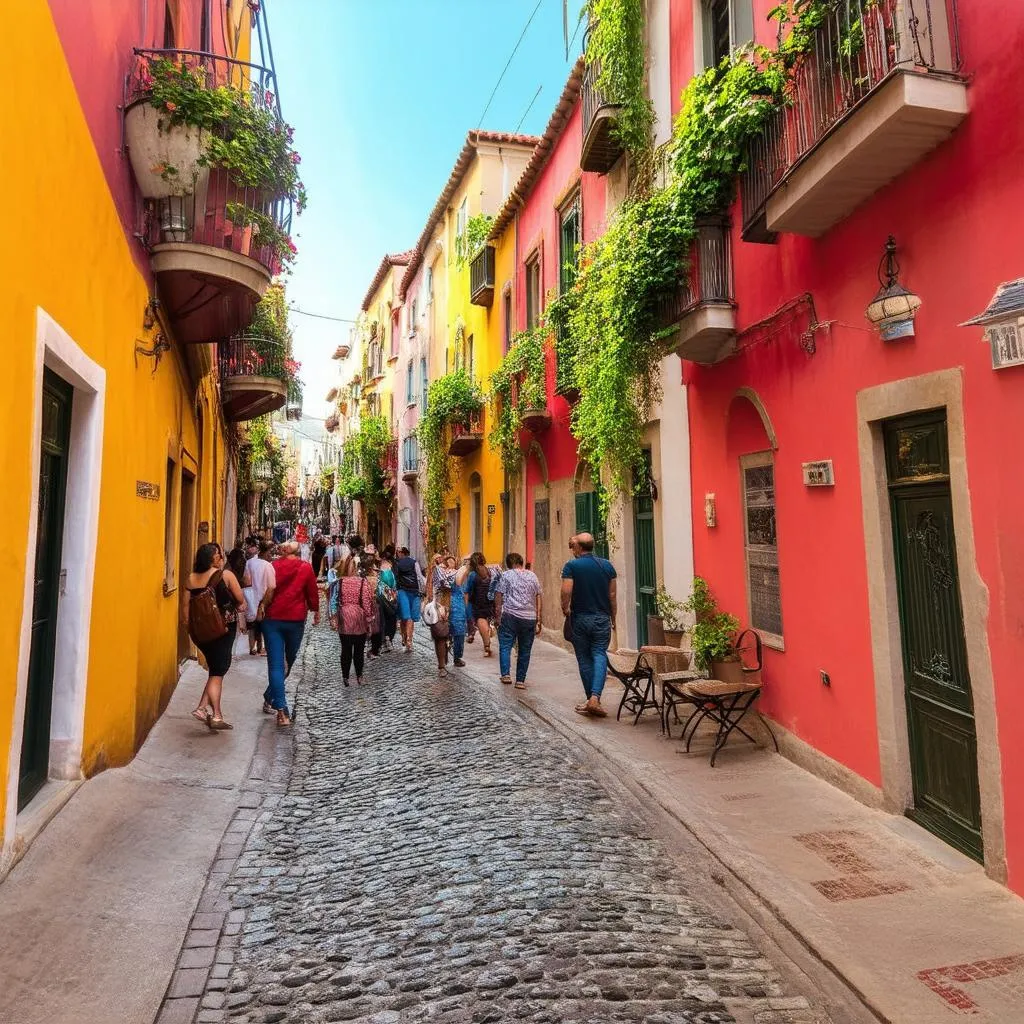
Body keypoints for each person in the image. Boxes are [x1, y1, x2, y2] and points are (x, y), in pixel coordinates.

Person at [184, 542, 247, 731]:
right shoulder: (225, 575)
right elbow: (240, 600)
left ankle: (207, 710)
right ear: (214, 558)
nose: (222, 558)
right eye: (219, 555)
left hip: (200, 634)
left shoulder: (190, 579)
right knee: (218, 673)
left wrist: (193, 629)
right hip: (223, 630)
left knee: (215, 670)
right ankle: (211, 712)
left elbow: (185, 612)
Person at [259, 540, 319, 726]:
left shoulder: (273, 566)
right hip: (295, 620)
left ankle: (272, 697)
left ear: (282, 551)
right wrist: (315, 610)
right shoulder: (305, 568)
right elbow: (312, 591)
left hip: (272, 619)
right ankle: (282, 709)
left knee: (277, 664)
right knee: (288, 661)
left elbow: (264, 590)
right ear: (299, 551)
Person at [561, 532, 617, 717]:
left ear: (579, 547)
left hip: (581, 618)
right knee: (600, 654)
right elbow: (612, 596)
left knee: (584, 658)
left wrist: (565, 608)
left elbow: (566, 590)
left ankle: (591, 699)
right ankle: (594, 698)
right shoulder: (607, 566)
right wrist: (613, 617)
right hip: (602, 618)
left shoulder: (571, 566)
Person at [494, 552, 543, 689]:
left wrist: (498, 615)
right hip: (529, 618)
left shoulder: (506, 575)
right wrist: (539, 618)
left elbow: (499, 595)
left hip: (510, 615)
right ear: (521, 562)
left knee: (505, 646)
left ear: (509, 564)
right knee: (525, 649)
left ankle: (506, 675)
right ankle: (520, 680)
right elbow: (538, 596)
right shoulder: (532, 575)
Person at [328, 553, 376, 686]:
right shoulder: (363, 583)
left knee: (345, 649)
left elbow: (334, 600)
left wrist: (334, 618)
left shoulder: (340, 582)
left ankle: (345, 677)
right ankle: (359, 676)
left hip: (344, 617)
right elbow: (367, 603)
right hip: (358, 618)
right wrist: (369, 621)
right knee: (359, 650)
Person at [245, 541, 275, 656]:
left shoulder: (249, 562)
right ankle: (263, 648)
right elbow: (271, 586)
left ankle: (252, 648)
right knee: (265, 625)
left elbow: (246, 581)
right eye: (270, 553)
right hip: (264, 599)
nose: (271, 556)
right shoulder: (268, 565)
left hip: (252, 598)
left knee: (252, 625)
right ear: (266, 552)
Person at [426, 553, 454, 677]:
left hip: (451, 606)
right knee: (441, 636)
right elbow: (439, 586)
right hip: (440, 606)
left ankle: (444, 659)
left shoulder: (451, 571)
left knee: (447, 636)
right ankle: (442, 665)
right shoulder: (437, 571)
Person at [394, 546, 425, 651]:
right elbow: (419, 577)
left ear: (402, 553)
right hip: (414, 591)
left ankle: (404, 637)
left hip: (402, 591)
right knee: (410, 617)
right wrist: (423, 590)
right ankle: (409, 641)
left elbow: (396, 578)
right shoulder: (414, 562)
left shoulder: (397, 563)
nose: (397, 554)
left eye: (398, 552)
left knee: (404, 616)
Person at [466, 552, 495, 658]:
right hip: (489, 600)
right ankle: (487, 637)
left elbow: (467, 591)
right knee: (485, 621)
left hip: (477, 602)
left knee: (481, 621)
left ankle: (487, 646)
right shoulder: (489, 571)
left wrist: (466, 605)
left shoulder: (473, 574)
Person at [448, 556, 471, 667]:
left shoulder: (462, 572)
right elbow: (458, 583)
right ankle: (452, 656)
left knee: (458, 632)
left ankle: (456, 656)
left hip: (458, 605)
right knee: (454, 631)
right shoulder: (461, 571)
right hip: (453, 605)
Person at [377, 545, 398, 653]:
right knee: (390, 617)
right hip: (390, 595)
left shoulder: (378, 570)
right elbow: (393, 584)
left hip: (382, 596)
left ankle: (385, 639)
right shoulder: (390, 568)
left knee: (383, 618)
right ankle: (388, 638)